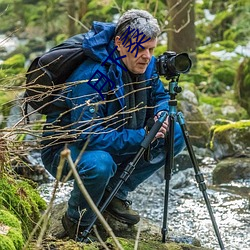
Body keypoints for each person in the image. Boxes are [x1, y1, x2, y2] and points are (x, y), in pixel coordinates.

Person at [41, 9, 185, 241]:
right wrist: (142, 135)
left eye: (151, 49)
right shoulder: (94, 77)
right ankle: (76, 221)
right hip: (67, 150)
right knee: (100, 164)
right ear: (119, 43)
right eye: (140, 48)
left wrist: (161, 114)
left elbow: (159, 96)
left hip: (116, 136)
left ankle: (115, 193)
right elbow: (87, 135)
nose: (147, 56)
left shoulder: (145, 64)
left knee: (175, 132)